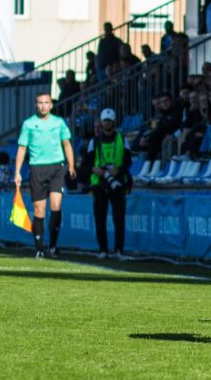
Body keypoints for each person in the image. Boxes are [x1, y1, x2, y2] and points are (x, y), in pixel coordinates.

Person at [15, 93, 76, 259]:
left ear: (51, 105)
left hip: (57, 168)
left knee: (56, 205)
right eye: (40, 103)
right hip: (37, 169)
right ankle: (40, 249)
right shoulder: (29, 124)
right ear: (36, 105)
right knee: (39, 210)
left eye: (46, 103)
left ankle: (53, 247)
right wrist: (17, 172)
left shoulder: (59, 122)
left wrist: (71, 165)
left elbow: (67, 144)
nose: (43, 106)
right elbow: (22, 148)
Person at [87, 108, 132, 259]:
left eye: (109, 120)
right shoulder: (94, 141)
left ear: (114, 122)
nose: (107, 123)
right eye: (104, 120)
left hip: (118, 182)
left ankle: (119, 250)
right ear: (101, 122)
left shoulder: (122, 139)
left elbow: (128, 160)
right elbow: (87, 163)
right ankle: (103, 250)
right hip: (99, 183)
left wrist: (117, 171)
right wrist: (95, 170)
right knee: (100, 218)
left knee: (119, 219)